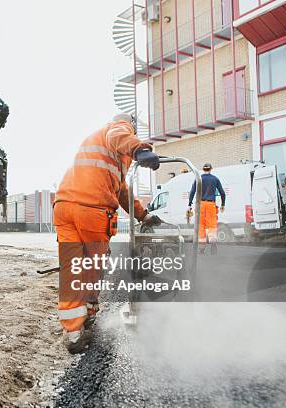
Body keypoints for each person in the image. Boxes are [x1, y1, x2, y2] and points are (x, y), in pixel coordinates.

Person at [54, 113, 162, 354]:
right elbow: (119, 134)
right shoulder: (117, 129)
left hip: (63, 207)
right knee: (93, 267)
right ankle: (89, 316)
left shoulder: (103, 152)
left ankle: (73, 334)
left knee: (71, 269)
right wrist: (140, 150)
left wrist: (142, 215)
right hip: (91, 210)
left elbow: (122, 191)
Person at [188, 163, 226, 248]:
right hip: (211, 204)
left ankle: (201, 248)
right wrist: (223, 204)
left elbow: (192, 192)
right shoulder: (215, 179)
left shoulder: (199, 179)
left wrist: (189, 204)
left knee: (201, 226)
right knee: (212, 225)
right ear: (210, 169)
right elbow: (222, 193)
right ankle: (212, 241)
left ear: (203, 169)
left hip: (201, 205)